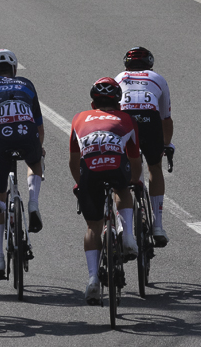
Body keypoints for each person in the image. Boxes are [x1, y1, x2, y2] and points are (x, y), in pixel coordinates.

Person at [69, 78, 141, 305]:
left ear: (93, 102)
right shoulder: (126, 118)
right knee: (123, 186)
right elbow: (135, 158)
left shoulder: (79, 118)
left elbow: (73, 160)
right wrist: (134, 181)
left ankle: (92, 279)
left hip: (89, 172)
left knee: (93, 226)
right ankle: (128, 236)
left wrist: (80, 184)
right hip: (116, 167)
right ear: (118, 101)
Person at [0, 49, 45, 279]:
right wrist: (38, 148)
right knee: (35, 160)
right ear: (14, 70)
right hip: (27, 134)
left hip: (0, 138)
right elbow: (39, 126)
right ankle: (33, 203)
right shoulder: (26, 83)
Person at [115, 47, 173, 246]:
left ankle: (124, 224)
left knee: (123, 170)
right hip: (150, 122)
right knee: (154, 167)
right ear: (150, 63)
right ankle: (158, 226)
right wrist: (167, 144)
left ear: (126, 64)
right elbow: (166, 118)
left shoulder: (119, 77)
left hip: (125, 121)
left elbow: (111, 111)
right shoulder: (158, 78)